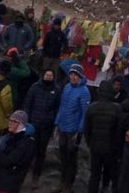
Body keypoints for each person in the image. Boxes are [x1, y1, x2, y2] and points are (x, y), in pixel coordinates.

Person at [55, 63, 91, 193]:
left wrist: (79, 130)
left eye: (75, 75)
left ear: (80, 76)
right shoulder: (66, 87)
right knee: (62, 155)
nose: (73, 77)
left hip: (73, 130)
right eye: (71, 74)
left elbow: (84, 113)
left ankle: (69, 184)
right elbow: (62, 106)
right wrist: (57, 122)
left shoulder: (84, 91)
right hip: (62, 127)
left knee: (71, 157)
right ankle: (62, 181)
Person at [23, 67, 61, 185]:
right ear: (43, 76)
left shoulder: (57, 89)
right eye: (47, 75)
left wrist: (54, 123)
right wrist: (26, 120)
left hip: (47, 125)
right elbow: (28, 103)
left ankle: (36, 176)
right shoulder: (35, 87)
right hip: (33, 123)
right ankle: (22, 175)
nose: (48, 77)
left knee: (41, 151)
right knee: (29, 150)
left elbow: (57, 107)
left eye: (51, 75)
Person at [85, 81, 123, 193]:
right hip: (110, 148)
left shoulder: (91, 107)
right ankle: (105, 188)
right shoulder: (117, 108)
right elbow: (119, 130)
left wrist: (90, 143)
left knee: (94, 175)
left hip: (95, 146)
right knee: (109, 173)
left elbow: (87, 129)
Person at [0, 110, 36, 193]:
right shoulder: (6, 137)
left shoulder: (26, 143)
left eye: (14, 122)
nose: (10, 123)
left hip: (8, 183)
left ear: (21, 125)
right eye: (10, 120)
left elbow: (9, 161)